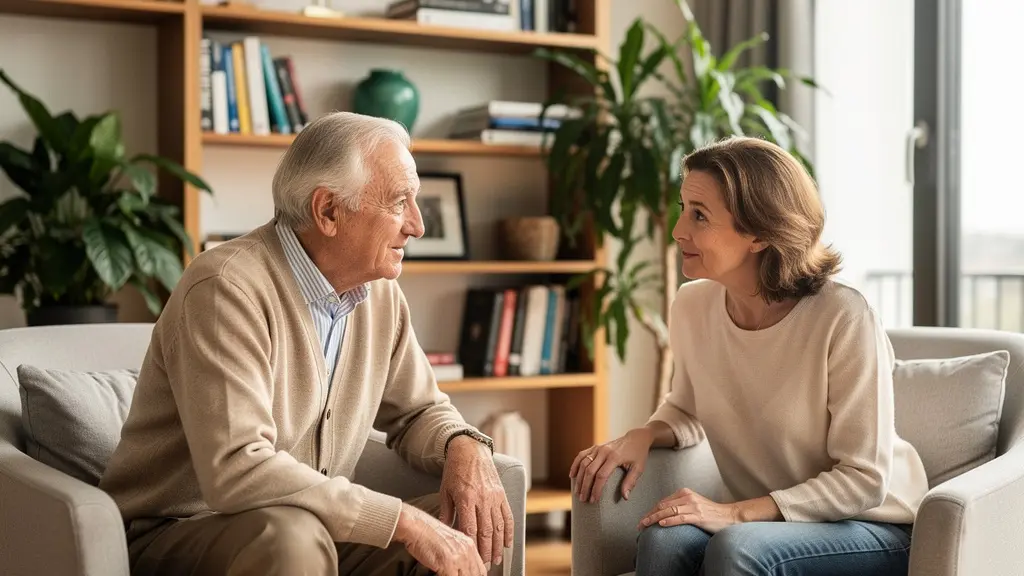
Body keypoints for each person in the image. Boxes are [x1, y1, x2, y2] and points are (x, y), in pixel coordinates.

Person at [99, 112, 512, 576]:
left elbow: (419, 410)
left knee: (467, 523)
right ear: (328, 211)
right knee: (293, 535)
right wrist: (402, 521)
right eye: (400, 203)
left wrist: (466, 446)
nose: (416, 225)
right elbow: (238, 468)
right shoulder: (226, 288)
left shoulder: (380, 297)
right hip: (179, 532)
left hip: (310, 529)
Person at [569, 136, 929, 575]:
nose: (679, 230)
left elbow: (865, 480)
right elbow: (686, 407)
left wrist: (737, 513)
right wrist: (642, 435)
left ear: (760, 233)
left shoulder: (843, 317)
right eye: (683, 208)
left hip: (873, 526)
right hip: (764, 520)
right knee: (662, 539)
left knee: (737, 549)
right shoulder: (692, 306)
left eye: (699, 215)